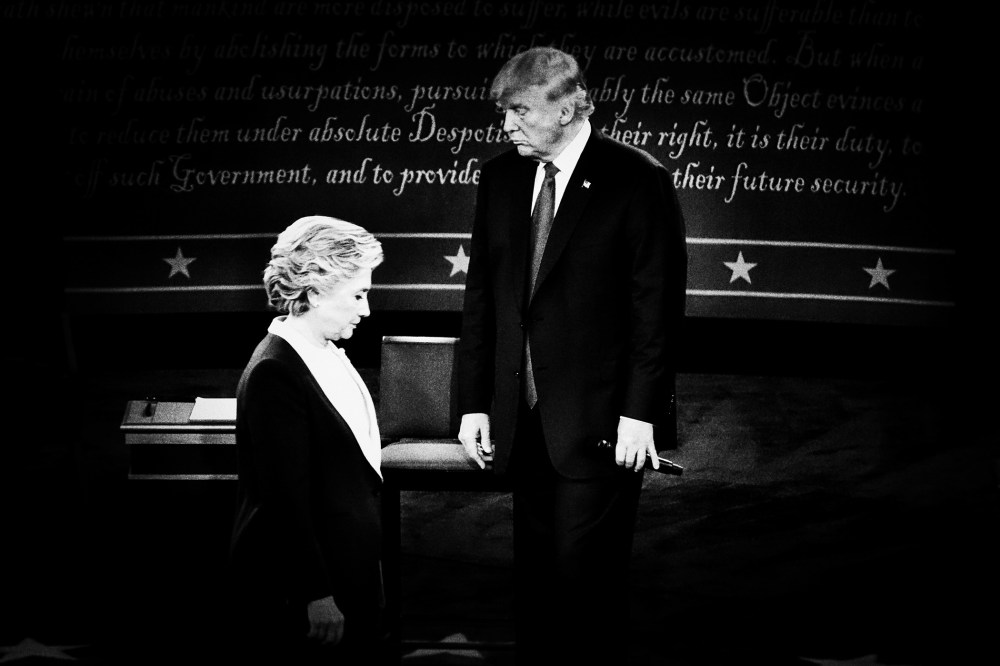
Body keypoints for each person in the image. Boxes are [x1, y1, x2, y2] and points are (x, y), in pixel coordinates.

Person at [456, 47, 688, 664]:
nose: (508, 125)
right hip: (520, 418)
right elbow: (482, 299)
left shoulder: (636, 179)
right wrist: (473, 403)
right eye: (504, 112)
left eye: (521, 111)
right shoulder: (500, 178)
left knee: (582, 579)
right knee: (534, 582)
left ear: (567, 108)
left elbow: (656, 312)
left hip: (602, 422)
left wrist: (641, 413)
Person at [228, 215, 389, 665]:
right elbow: (283, 500)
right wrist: (315, 593)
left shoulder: (322, 352)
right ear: (314, 291)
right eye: (357, 294)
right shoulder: (275, 370)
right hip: (309, 592)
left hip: (347, 571)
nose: (366, 309)